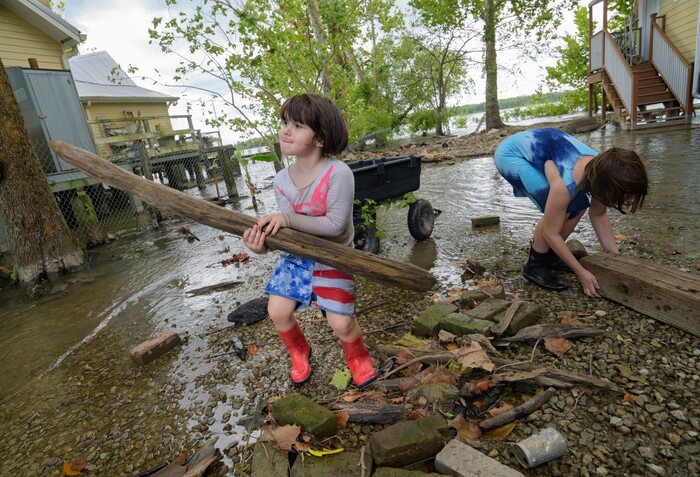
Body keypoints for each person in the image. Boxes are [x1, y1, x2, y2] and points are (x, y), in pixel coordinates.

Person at [242, 93, 377, 388]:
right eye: (285, 123)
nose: (286, 130)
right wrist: (261, 246)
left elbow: (335, 225)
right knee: (277, 311)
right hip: (296, 259)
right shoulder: (281, 180)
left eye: (298, 125)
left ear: (320, 139)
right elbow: (287, 236)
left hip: (334, 256)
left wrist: (286, 218)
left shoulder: (337, 173)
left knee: (340, 322)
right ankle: (300, 351)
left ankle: (358, 357)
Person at [493, 128, 649, 298]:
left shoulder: (605, 170)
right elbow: (550, 232)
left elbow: (598, 214)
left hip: (548, 152)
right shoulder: (563, 185)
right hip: (511, 155)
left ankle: (551, 257)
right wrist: (580, 272)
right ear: (606, 187)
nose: (624, 200)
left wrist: (615, 259)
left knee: (580, 204)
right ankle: (535, 266)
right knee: (563, 208)